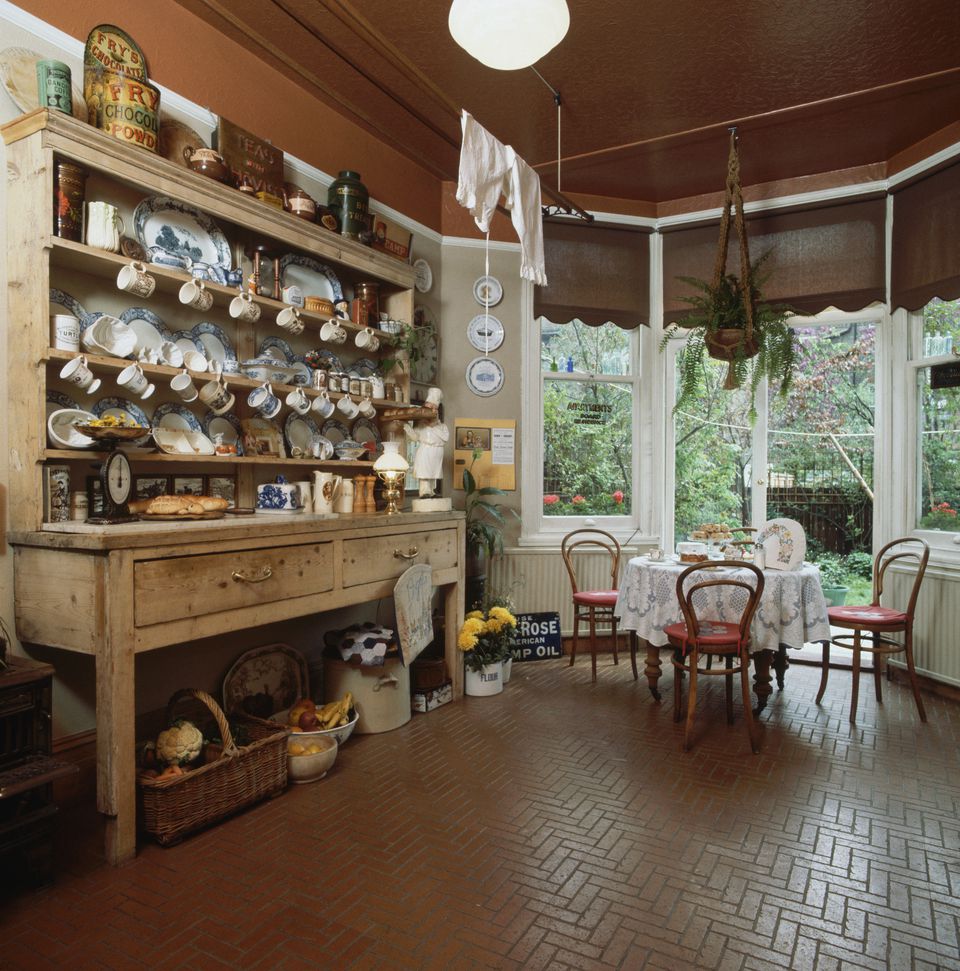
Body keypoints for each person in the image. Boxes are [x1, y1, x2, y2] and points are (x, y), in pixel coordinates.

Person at [404, 387, 449, 498]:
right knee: (425, 472)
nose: (432, 410)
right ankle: (424, 492)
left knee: (433, 473)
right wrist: (407, 428)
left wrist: (433, 426)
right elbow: (415, 438)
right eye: (429, 407)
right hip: (426, 449)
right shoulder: (420, 424)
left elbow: (445, 438)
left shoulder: (442, 426)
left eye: (434, 408)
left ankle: (432, 491)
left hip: (437, 451)